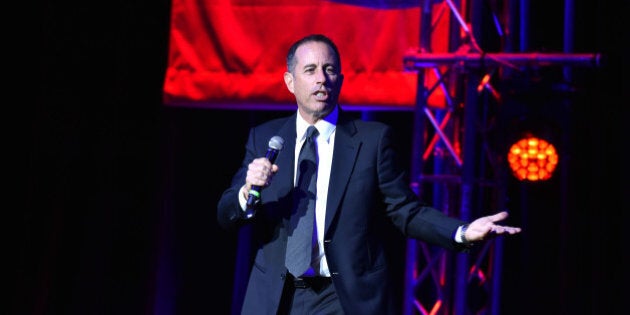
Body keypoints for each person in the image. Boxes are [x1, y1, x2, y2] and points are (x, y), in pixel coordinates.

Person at [217, 34, 521, 315]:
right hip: (276, 297)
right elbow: (226, 213)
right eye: (310, 70)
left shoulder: (372, 141)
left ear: (341, 79)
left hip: (343, 297)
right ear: (290, 81)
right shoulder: (265, 138)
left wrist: (462, 231)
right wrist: (246, 192)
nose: (322, 79)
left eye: (330, 70)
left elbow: (406, 211)